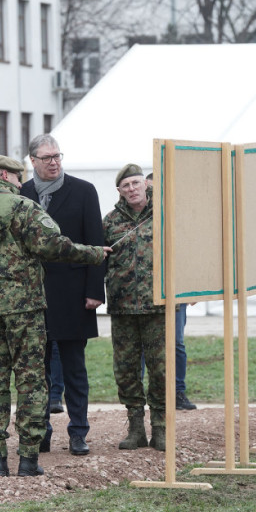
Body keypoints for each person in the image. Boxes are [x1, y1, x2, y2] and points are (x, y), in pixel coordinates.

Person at [0, 155, 110, 477]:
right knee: (31, 381)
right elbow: (55, 247)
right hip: (26, 310)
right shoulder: (25, 208)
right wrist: (93, 253)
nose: (22, 184)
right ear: (6, 176)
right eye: (19, 178)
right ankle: (28, 459)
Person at [20, 134, 106, 456]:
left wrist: (95, 291)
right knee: (35, 370)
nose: (54, 162)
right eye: (47, 158)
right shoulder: (22, 193)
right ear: (33, 161)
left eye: (58, 156)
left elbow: (96, 242)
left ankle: (78, 433)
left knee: (74, 369)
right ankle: (40, 432)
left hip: (73, 295)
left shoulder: (83, 191)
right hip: (33, 297)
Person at [103, 164, 167, 451]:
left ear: (146, 185)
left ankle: (162, 428)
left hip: (158, 306)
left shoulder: (165, 214)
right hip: (123, 307)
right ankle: (136, 428)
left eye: (136, 183)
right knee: (126, 370)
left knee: (161, 369)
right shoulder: (110, 222)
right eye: (126, 185)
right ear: (119, 190)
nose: (132, 189)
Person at [144, 172, 197, 411]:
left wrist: (191, 287)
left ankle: (178, 392)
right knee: (145, 345)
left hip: (175, 290)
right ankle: (146, 396)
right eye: (151, 190)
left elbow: (189, 252)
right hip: (144, 291)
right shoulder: (140, 219)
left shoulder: (178, 219)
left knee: (176, 343)